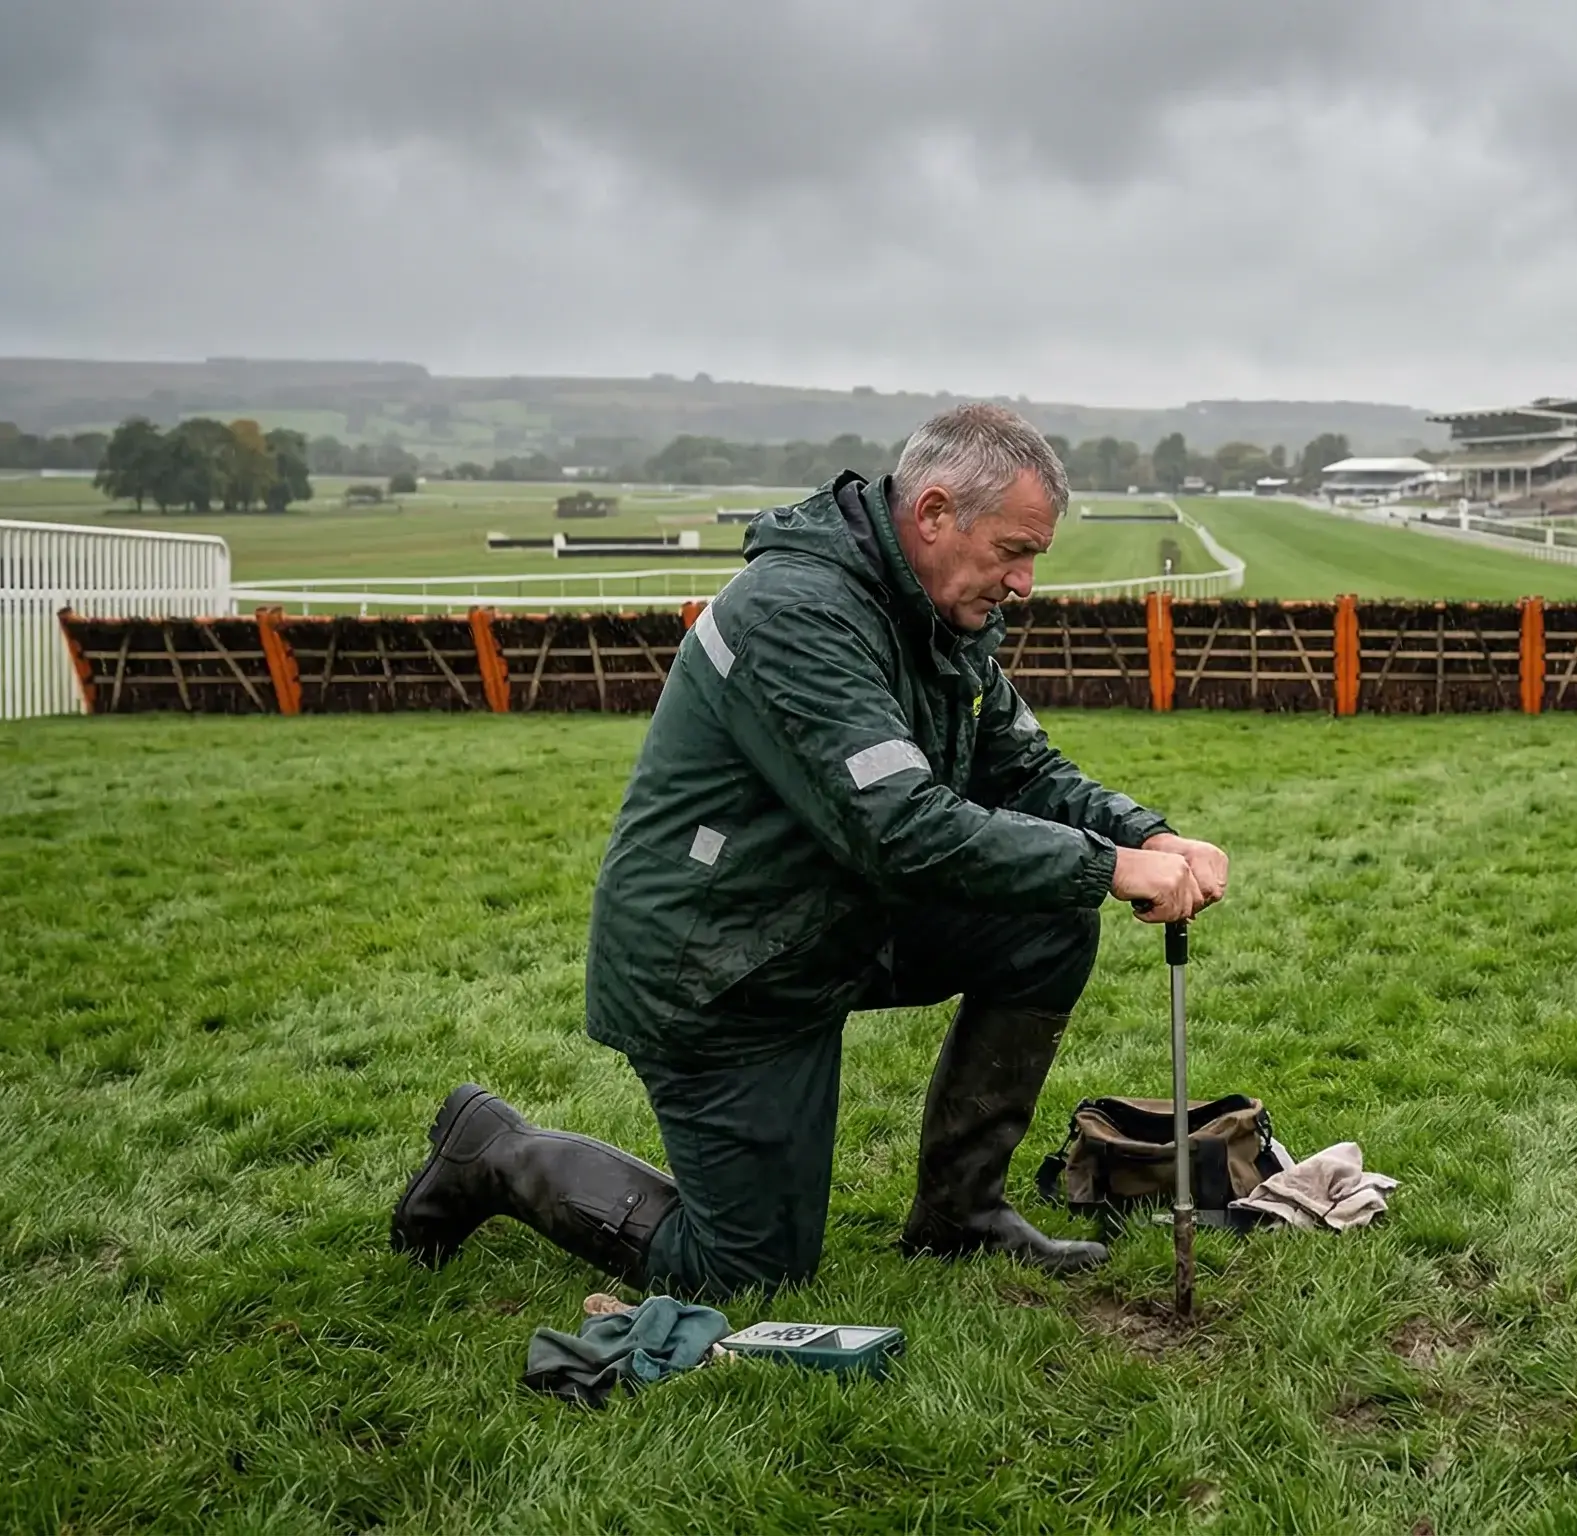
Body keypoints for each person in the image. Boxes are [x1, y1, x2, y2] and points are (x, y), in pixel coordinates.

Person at [391, 404, 1229, 1298]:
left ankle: (962, 1216)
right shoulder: (796, 613)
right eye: (1014, 551)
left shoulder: (940, 614)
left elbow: (1019, 769)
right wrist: (1104, 866)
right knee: (749, 1275)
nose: (1023, 582)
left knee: (1046, 921)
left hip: (827, 919)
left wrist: (1145, 831)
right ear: (936, 513)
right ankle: (493, 1152)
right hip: (720, 963)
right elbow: (901, 826)